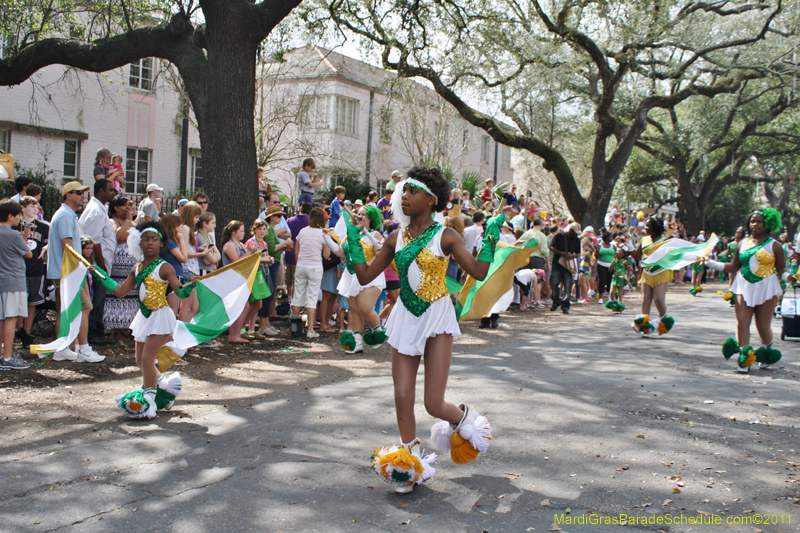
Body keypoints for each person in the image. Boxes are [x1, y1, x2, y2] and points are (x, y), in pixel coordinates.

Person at [348, 166, 495, 494]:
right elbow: (364, 275)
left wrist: (491, 240)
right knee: (401, 395)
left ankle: (464, 421)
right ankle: (408, 460)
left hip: (437, 317)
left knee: (432, 403)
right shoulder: (393, 237)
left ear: (431, 200)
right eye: (403, 192)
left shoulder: (447, 236)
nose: (404, 197)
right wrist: (353, 248)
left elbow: (479, 272)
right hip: (405, 317)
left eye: (411, 192)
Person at [88, 221, 192, 418]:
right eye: (145, 240)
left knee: (146, 359)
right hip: (144, 317)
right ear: (140, 243)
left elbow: (179, 290)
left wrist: (190, 287)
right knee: (139, 361)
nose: (150, 243)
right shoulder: (136, 268)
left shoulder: (165, 267)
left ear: (161, 243)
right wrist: (102, 276)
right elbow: (120, 292)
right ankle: (165, 389)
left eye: (154, 239)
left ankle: (149, 400)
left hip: (160, 316)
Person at [706, 208, 790, 373]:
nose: (755, 224)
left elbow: (781, 267)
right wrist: (711, 263)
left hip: (766, 287)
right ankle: (745, 357)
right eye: (752, 221)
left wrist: (788, 277)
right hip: (743, 286)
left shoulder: (775, 245)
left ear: (767, 224)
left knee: (762, 326)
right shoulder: (741, 244)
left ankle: (766, 352)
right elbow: (733, 266)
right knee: (742, 322)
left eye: (759, 221)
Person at [47, 181, 104, 363]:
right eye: (78, 192)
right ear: (68, 195)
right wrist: (83, 267)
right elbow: (68, 247)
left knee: (72, 311)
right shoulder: (65, 216)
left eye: (83, 192)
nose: (82, 195)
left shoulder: (67, 215)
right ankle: (82, 349)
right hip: (69, 273)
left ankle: (64, 348)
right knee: (83, 308)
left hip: (69, 272)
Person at [331, 205, 386, 353]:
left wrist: (380, 248)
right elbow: (340, 252)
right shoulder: (351, 234)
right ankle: (357, 343)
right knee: (354, 311)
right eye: (358, 213)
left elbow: (380, 257)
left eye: (363, 214)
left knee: (365, 308)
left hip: (370, 275)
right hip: (351, 275)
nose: (358, 216)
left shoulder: (375, 235)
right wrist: (326, 237)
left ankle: (377, 331)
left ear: (370, 218)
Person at [79, 179, 118, 346]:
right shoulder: (95, 211)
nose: (114, 193)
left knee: (100, 300)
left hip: (101, 265)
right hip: (96, 267)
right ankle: (93, 333)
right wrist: (101, 267)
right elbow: (94, 242)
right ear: (101, 191)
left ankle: (97, 331)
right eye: (111, 190)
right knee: (96, 300)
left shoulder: (101, 209)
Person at [0, 200, 33, 370]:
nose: (20, 218)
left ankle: (1, 355)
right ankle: (7, 357)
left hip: (1, 280)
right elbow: (27, 253)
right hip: (14, 280)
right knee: (11, 318)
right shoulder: (12, 234)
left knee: (1, 318)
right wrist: (24, 238)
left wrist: (24, 236)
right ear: (10, 216)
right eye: (18, 215)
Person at [630, 216, 675, 337]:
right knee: (646, 299)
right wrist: (628, 245)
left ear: (655, 228)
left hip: (661, 273)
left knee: (658, 299)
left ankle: (663, 320)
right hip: (647, 273)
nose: (645, 227)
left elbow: (672, 257)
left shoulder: (665, 241)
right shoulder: (643, 240)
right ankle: (644, 324)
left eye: (648, 225)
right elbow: (637, 256)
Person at [14, 196, 48, 349]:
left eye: (36, 206)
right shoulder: (15, 226)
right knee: (20, 303)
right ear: (22, 208)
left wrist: (47, 248)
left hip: (36, 269)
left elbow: (50, 243)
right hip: (20, 270)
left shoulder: (43, 227)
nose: (35, 209)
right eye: (31, 206)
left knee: (32, 303)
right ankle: (18, 331)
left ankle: (27, 333)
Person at [292, 207, 331, 338]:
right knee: (312, 297)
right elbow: (326, 255)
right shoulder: (322, 233)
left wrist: (299, 264)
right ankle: (310, 330)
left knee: (298, 296)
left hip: (301, 265)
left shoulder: (302, 232)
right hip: (315, 267)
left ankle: (295, 328)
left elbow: (296, 251)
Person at [104, 195, 140, 333]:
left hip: (131, 265)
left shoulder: (132, 222)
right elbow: (119, 237)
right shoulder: (112, 221)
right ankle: (117, 329)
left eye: (131, 205)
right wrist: (127, 221)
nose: (129, 208)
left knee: (132, 297)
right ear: (116, 208)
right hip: (118, 266)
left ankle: (129, 328)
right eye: (126, 205)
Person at [261, 206, 293, 333]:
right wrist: (285, 243)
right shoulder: (269, 229)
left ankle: (266, 323)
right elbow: (272, 248)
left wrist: (284, 248)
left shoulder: (271, 229)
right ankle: (264, 325)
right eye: (279, 216)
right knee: (267, 294)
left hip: (274, 262)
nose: (281, 218)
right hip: (271, 264)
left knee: (270, 292)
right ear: (272, 217)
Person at [159, 214, 188, 314]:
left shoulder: (163, 241)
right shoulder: (169, 242)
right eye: (179, 224)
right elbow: (184, 258)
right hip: (174, 275)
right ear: (173, 226)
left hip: (164, 275)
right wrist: (182, 240)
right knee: (173, 310)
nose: (181, 226)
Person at [550, 222, 581, 314]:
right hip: (557, 264)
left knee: (568, 286)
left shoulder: (576, 239)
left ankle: (565, 305)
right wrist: (561, 253)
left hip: (568, 265)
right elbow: (551, 247)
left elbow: (578, 253)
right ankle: (556, 301)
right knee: (553, 284)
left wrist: (572, 256)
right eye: (575, 232)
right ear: (570, 230)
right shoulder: (559, 235)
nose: (576, 234)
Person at [285, 203, 312, 300]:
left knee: (289, 280)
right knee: (299, 281)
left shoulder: (289, 220)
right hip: (303, 255)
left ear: (300, 209)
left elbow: (286, 234)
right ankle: (297, 301)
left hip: (289, 252)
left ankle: (289, 299)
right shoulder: (310, 222)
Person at [606, 247, 631, 313]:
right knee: (611, 292)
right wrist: (613, 262)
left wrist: (628, 277)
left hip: (621, 278)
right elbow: (610, 270)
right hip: (614, 278)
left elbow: (628, 270)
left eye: (618, 251)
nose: (616, 252)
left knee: (619, 293)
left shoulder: (624, 261)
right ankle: (613, 303)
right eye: (616, 251)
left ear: (622, 254)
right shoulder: (614, 260)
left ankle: (619, 305)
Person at [595, 231, 615, 303]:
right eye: (610, 237)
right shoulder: (600, 246)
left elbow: (616, 255)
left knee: (610, 281)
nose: (612, 238)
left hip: (610, 266)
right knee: (602, 281)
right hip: (601, 265)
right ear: (606, 238)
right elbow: (597, 256)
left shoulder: (613, 246)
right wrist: (596, 250)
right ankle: (600, 297)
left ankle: (610, 296)